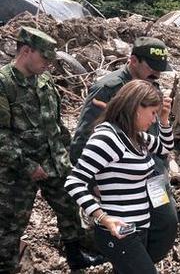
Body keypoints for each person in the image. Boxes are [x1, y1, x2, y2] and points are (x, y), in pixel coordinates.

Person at [0, 27, 105, 272]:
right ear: (26, 51)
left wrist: (67, 155)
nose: (49, 64)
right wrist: (26, 165)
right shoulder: (4, 84)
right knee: (10, 223)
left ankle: (75, 256)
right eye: (45, 58)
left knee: (69, 208)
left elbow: (56, 124)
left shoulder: (45, 80)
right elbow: (1, 134)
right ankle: (7, 265)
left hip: (54, 160)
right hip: (18, 171)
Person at [68, 36, 178, 262]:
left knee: (166, 224)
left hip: (152, 175)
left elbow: (158, 141)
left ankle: (135, 264)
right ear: (133, 60)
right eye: (152, 67)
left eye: (160, 70)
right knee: (130, 231)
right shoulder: (108, 88)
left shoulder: (151, 87)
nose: (157, 74)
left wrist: (164, 120)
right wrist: (93, 183)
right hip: (122, 177)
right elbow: (82, 140)